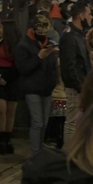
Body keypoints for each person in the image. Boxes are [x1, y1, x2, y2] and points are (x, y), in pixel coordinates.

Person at [15, 14, 60, 154]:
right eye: (39, 32)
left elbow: (52, 66)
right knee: (37, 122)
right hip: (32, 88)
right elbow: (23, 68)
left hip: (47, 88)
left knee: (44, 122)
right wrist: (39, 57)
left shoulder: (50, 44)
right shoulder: (24, 45)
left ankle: (40, 148)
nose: (42, 34)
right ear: (34, 30)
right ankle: (35, 152)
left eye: (45, 32)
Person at [0, 20, 22, 154]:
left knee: (11, 111)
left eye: (1, 27)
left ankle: (8, 138)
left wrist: (7, 79)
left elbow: (19, 64)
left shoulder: (17, 45)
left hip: (12, 78)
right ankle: (1, 139)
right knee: (1, 109)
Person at [59, 2, 92, 137]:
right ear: (81, 16)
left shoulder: (77, 35)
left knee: (79, 124)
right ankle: (69, 155)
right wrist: (79, 86)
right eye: (89, 14)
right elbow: (69, 65)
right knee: (72, 124)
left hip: (80, 85)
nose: (91, 17)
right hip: (75, 88)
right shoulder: (70, 36)